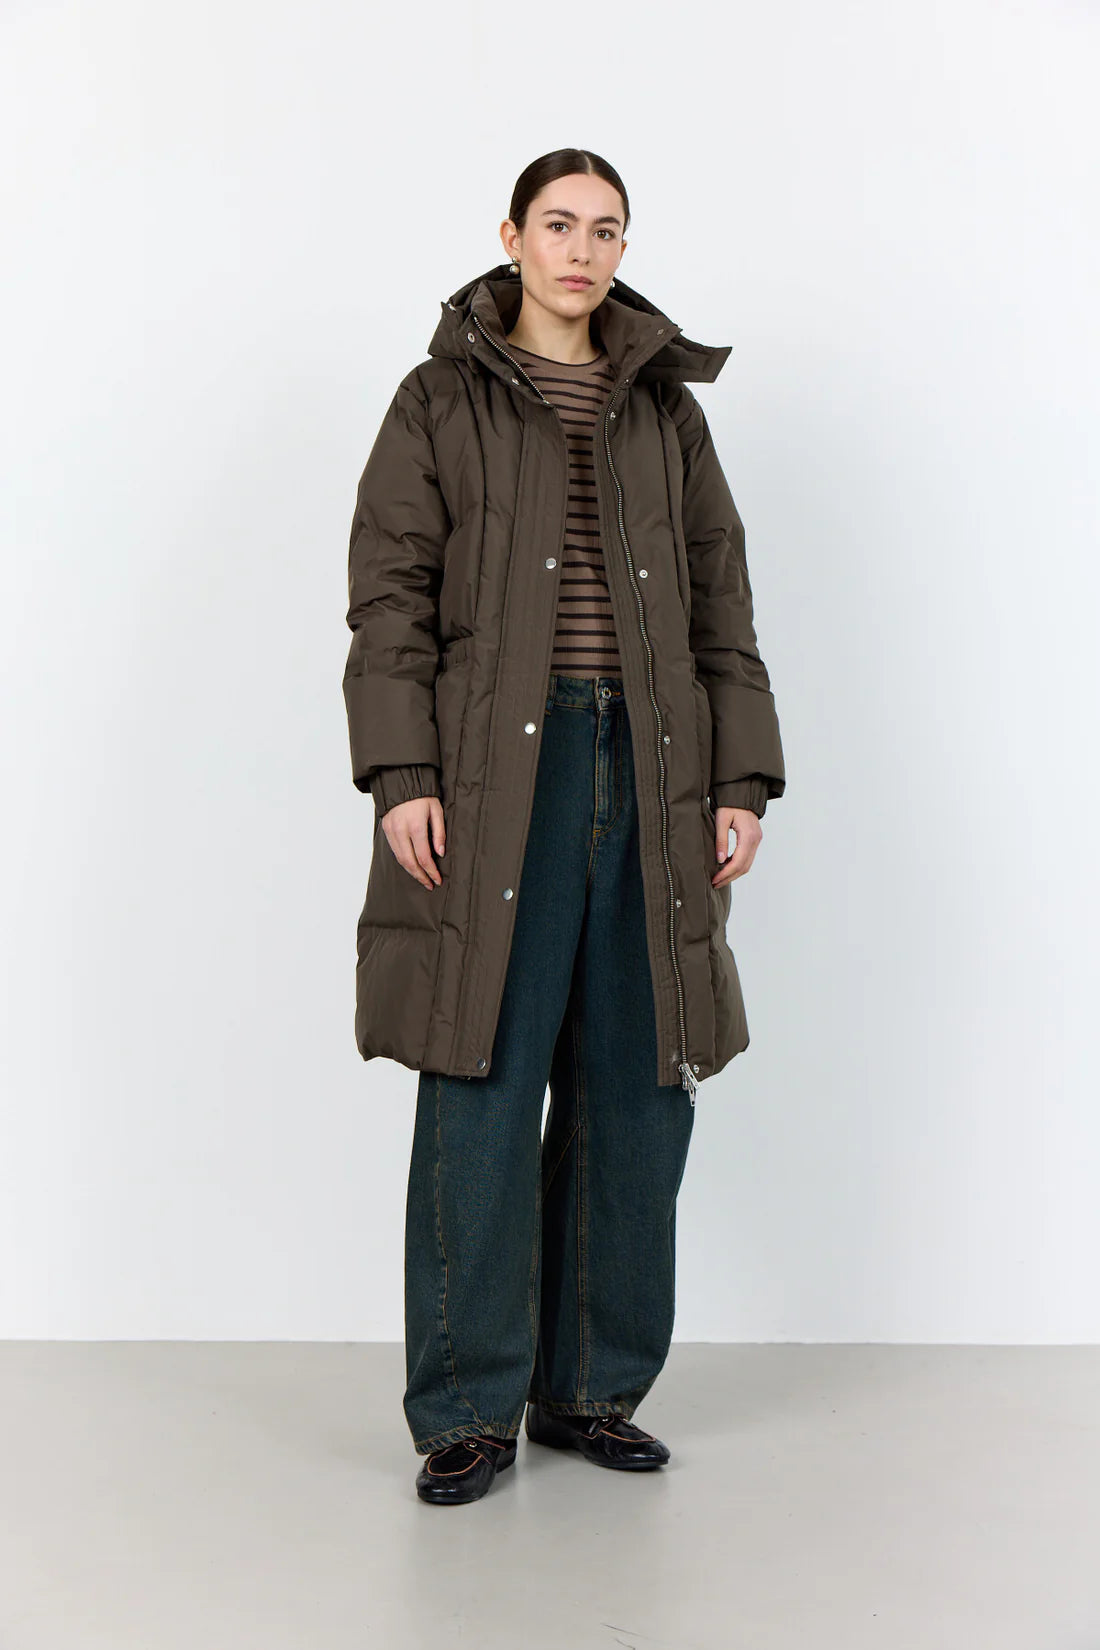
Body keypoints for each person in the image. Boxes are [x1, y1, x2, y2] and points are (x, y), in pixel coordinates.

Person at [342, 148, 786, 1505]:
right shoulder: (440, 400)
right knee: (479, 1072)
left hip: (652, 769)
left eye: (605, 229)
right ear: (512, 237)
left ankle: (591, 1387)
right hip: (494, 779)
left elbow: (721, 601)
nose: (582, 251)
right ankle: (467, 1409)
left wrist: (739, 778)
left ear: (621, 248)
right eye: (558, 225)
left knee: (639, 1083)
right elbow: (389, 595)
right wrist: (403, 770)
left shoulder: (664, 411)